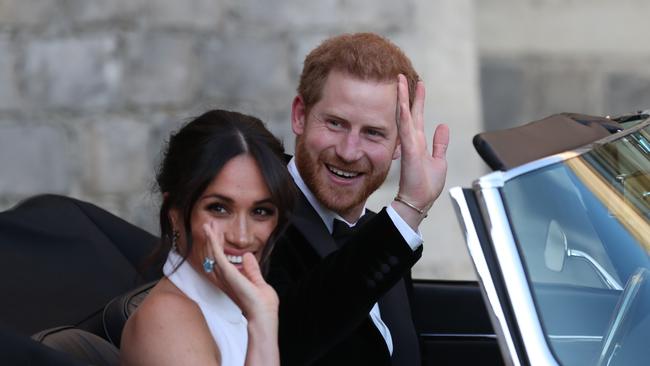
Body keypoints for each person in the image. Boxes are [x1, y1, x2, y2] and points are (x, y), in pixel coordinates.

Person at [267, 33, 450, 365]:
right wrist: (409, 208)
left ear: (399, 146)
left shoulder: (381, 232)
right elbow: (288, 341)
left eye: (373, 133)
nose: (349, 152)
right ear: (300, 116)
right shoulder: (257, 219)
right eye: (335, 124)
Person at [120, 109, 296, 366]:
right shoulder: (167, 321)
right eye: (219, 208)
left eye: (261, 211)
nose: (242, 237)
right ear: (175, 213)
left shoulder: (238, 306)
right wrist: (263, 325)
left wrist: (263, 318)